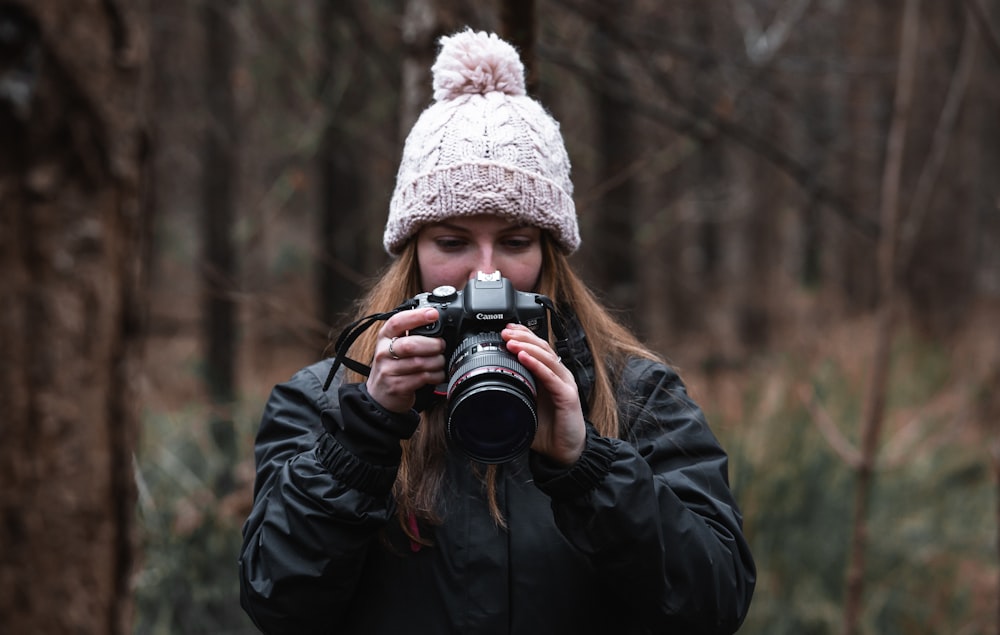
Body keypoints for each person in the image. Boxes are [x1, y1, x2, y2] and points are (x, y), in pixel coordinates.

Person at [239, 28, 755, 635]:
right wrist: (364, 437)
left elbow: (713, 605)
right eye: (452, 242)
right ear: (412, 253)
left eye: (514, 242)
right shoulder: (326, 402)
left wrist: (587, 464)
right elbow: (278, 602)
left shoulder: (636, 398)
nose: (486, 272)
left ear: (550, 252)